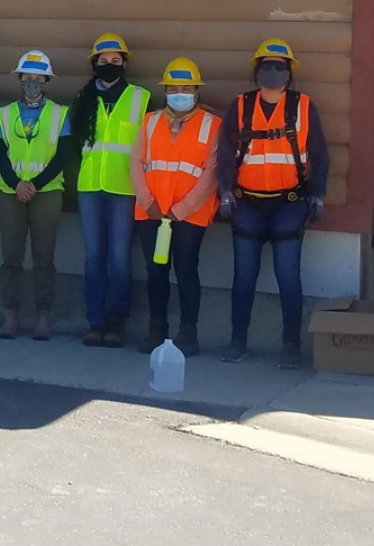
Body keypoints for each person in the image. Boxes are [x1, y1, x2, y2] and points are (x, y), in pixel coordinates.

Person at [217, 39, 329, 369]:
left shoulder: (304, 107)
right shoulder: (240, 106)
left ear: (289, 73)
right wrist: (224, 190)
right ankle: (238, 342)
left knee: (288, 277)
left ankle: (291, 346)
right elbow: (224, 154)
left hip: (290, 204)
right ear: (256, 72)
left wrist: (318, 194)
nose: (273, 72)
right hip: (246, 204)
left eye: (280, 67)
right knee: (244, 276)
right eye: (266, 66)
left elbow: (321, 156)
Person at [131, 58, 220, 357]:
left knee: (185, 270)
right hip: (151, 213)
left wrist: (180, 210)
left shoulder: (212, 125)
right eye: (172, 88)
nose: (178, 92)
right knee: (155, 271)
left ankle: (188, 333)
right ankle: (157, 329)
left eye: (185, 87)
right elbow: (136, 162)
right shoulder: (150, 121)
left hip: (189, 215)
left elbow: (211, 173)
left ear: (196, 90)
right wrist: (148, 202)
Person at [70, 33, 150, 347]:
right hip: (89, 185)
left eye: (116, 60)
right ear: (94, 64)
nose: (109, 64)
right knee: (93, 257)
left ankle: (116, 322)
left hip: (125, 187)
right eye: (103, 61)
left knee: (118, 258)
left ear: (124, 63)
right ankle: (95, 321)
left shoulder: (140, 98)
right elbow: (76, 142)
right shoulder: (82, 98)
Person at [0, 51, 68, 341]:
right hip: (10, 191)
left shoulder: (60, 114)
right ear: (19, 79)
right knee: (11, 256)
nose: (32, 82)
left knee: (44, 258)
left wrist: (33, 183)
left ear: (47, 80)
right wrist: (16, 184)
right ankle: (10, 316)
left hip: (46, 192)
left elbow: (62, 155)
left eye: (38, 78)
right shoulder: (5, 113)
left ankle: (43, 316)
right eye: (27, 77)